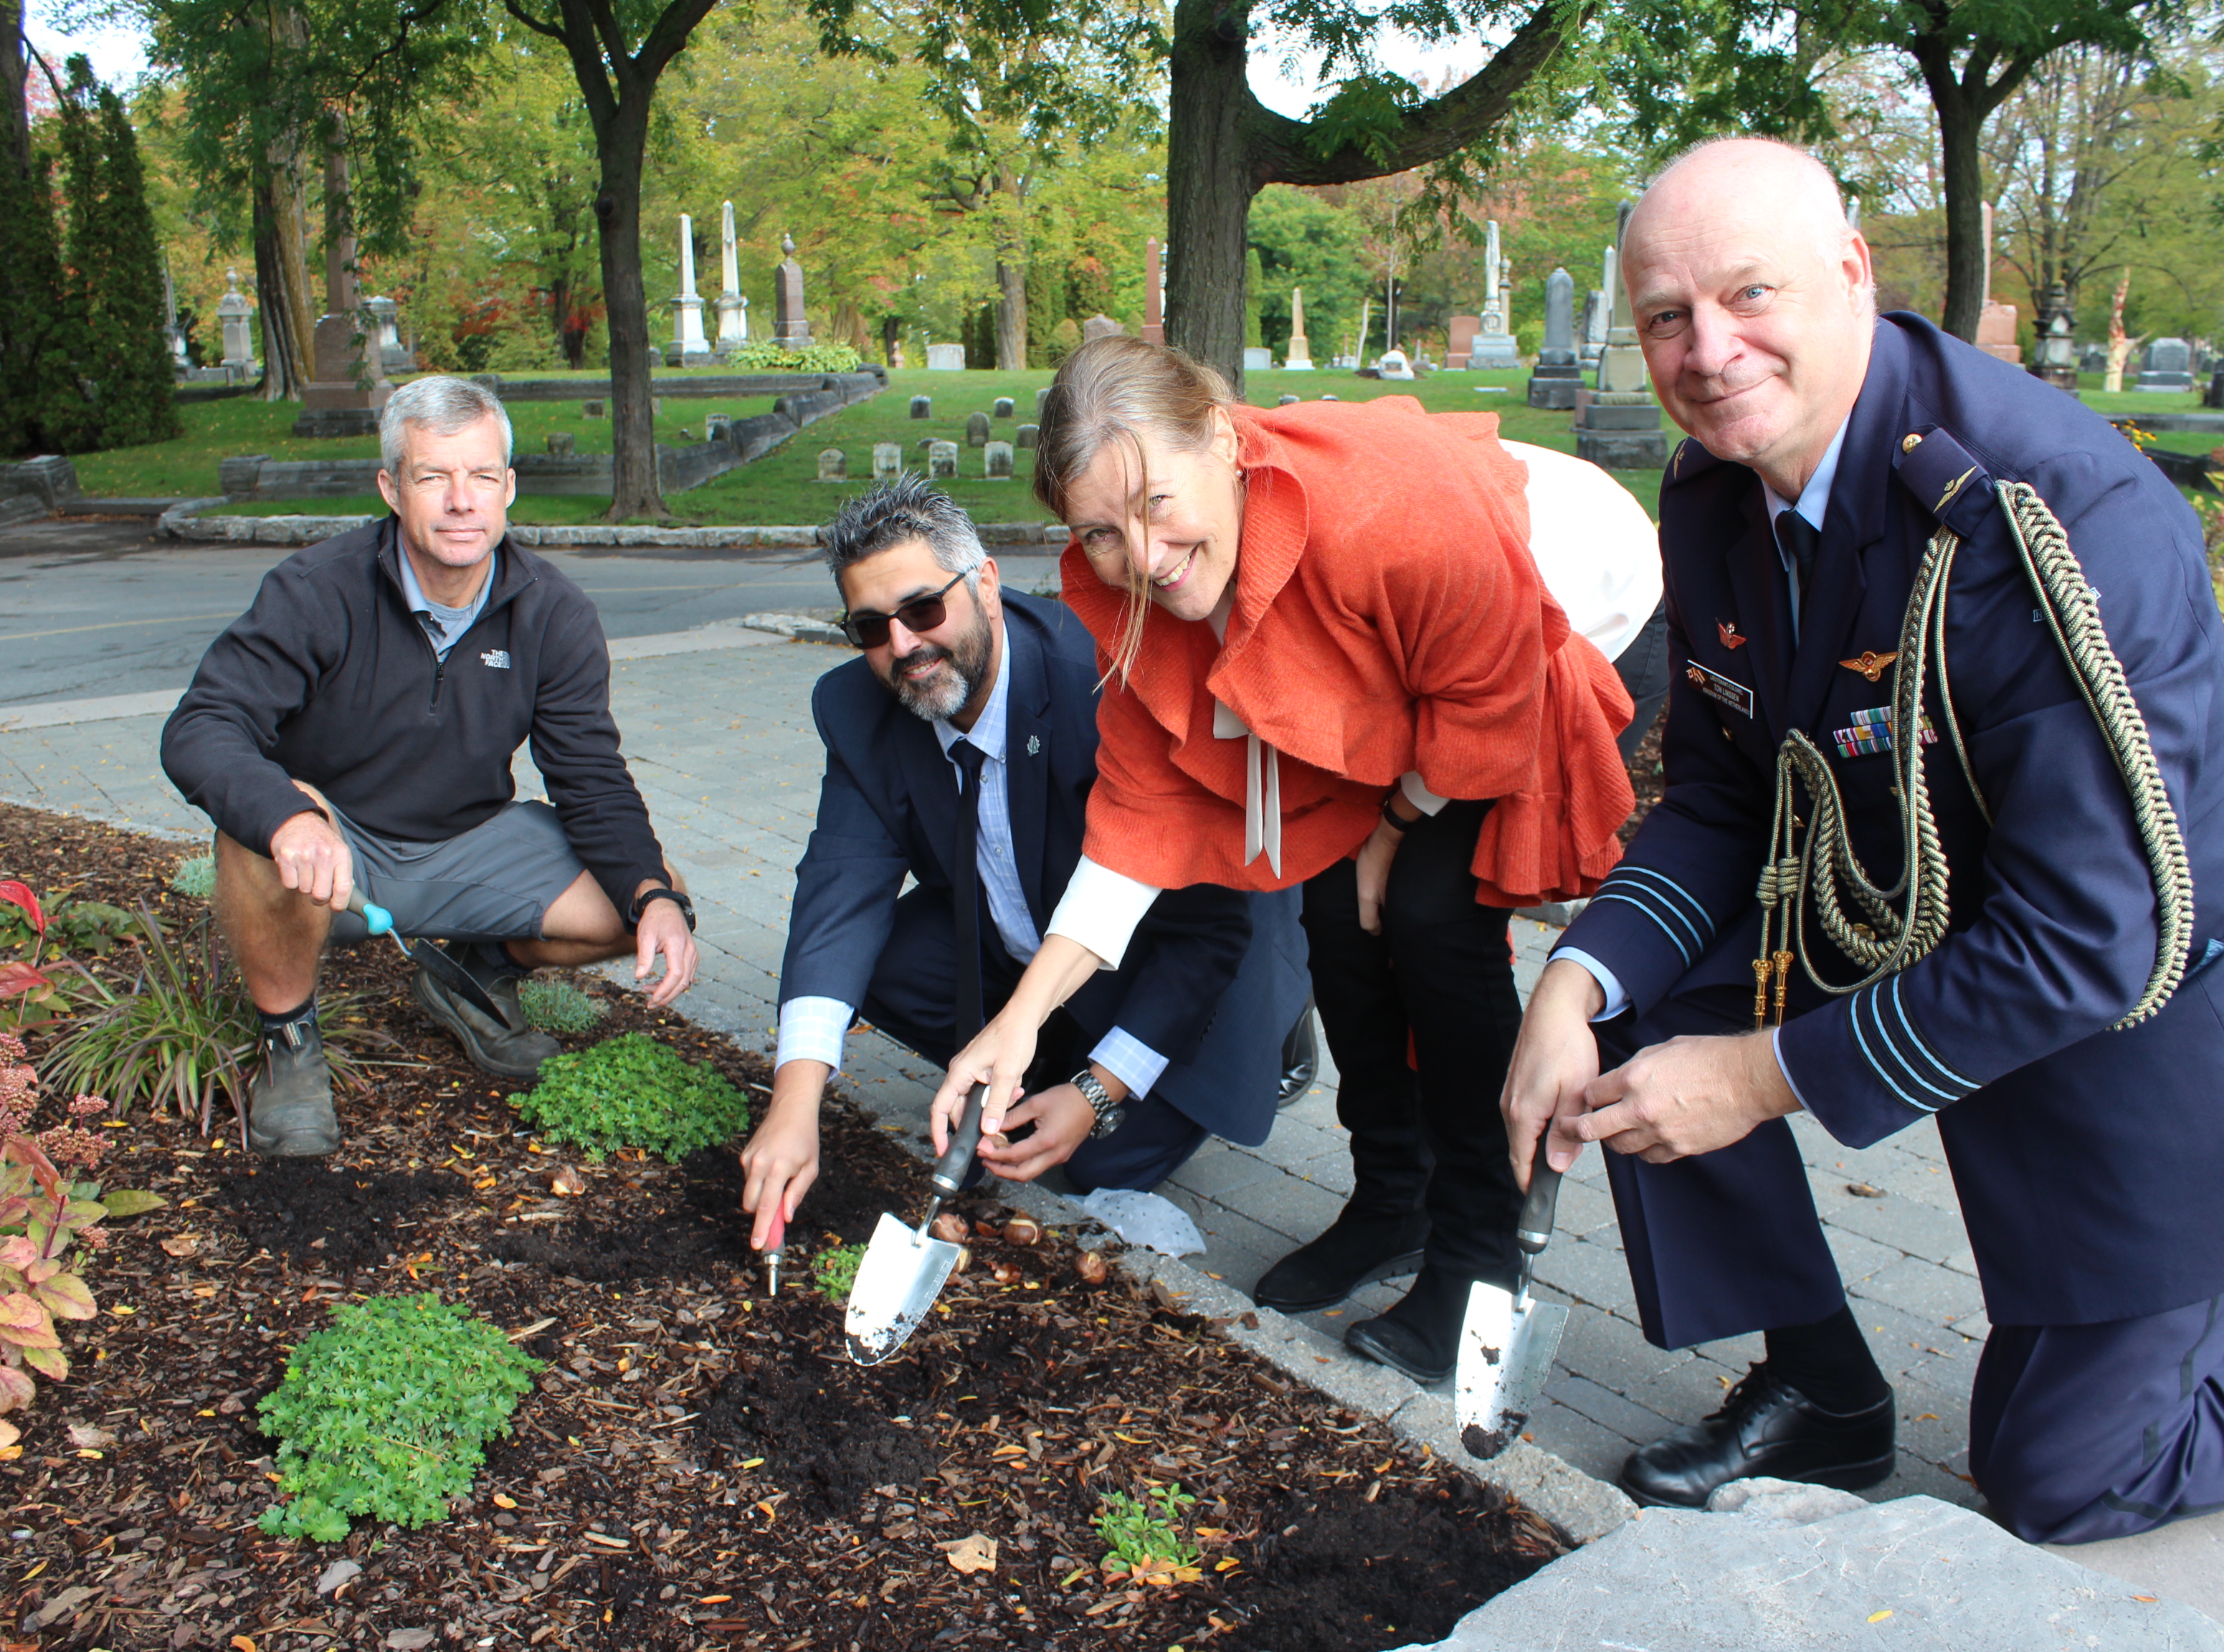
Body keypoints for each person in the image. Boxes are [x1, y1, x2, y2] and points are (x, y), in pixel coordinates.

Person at [1505, 136, 2224, 1539]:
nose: (1710, 350)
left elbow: (2095, 938)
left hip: (2185, 1017)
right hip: (1955, 924)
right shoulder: (1723, 490)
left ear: (1853, 275)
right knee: (1649, 1017)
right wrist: (1574, 984)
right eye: (1667, 315)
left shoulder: (2043, 517)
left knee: (2067, 1476)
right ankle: (1826, 1398)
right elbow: (1728, 797)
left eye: (1750, 295)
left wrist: (1762, 1077)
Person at [927, 337, 1648, 1381]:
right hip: (1395, 657)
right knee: (1332, 924)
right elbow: (1136, 827)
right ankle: (1394, 1198)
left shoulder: (1385, 518)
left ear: (1222, 437)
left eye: (1157, 504)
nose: (1144, 556)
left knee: (1433, 920)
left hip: (1560, 609)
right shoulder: (1138, 592)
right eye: (1099, 532)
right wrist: (1018, 1022)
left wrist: (1393, 828)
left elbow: (1486, 702)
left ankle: (1483, 1257)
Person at [738, 480, 1311, 1244]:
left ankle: (1273, 1025)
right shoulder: (857, 708)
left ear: (985, 583)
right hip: (1032, 932)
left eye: (922, 609)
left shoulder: (1106, 686)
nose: (903, 646)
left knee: (1106, 1164)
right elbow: (838, 894)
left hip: (1189, 948)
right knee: (876, 959)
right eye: (871, 628)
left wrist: (1095, 1094)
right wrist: (794, 1102)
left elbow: (1206, 930)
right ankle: (1042, 1047)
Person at [161, 375, 698, 1157]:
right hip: (330, 856)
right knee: (255, 817)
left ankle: (469, 978)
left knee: (650, 898)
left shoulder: (554, 612)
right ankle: (289, 1043)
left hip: (465, 844)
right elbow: (203, 726)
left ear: (508, 487)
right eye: (433, 477)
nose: (461, 501)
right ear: (391, 488)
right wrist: (288, 818)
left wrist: (651, 894)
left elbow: (589, 775)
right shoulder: (316, 591)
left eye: (482, 476)